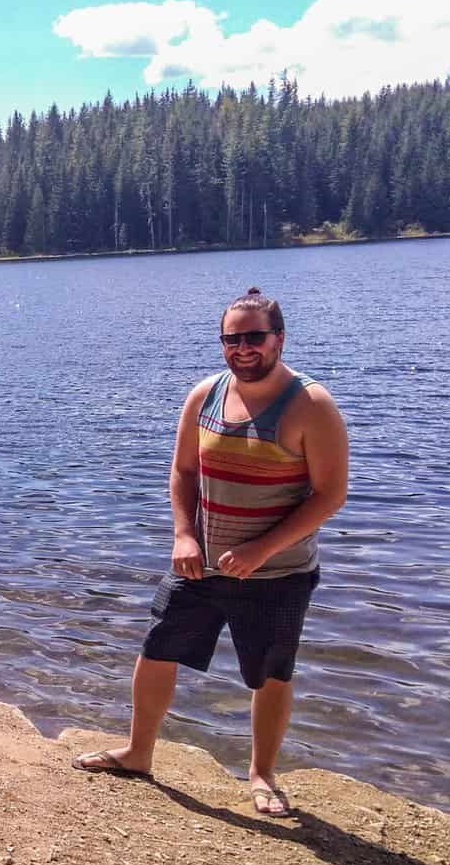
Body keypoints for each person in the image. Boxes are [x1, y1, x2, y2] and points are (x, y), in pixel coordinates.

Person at [74, 287, 349, 817]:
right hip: (201, 564)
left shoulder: (312, 406)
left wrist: (262, 549)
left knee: (271, 672)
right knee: (157, 649)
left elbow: (330, 495)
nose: (243, 348)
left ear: (279, 339)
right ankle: (138, 753)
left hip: (278, 574)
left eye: (254, 338)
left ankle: (262, 774)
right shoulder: (205, 395)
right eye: (232, 338)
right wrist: (183, 534)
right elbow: (182, 473)